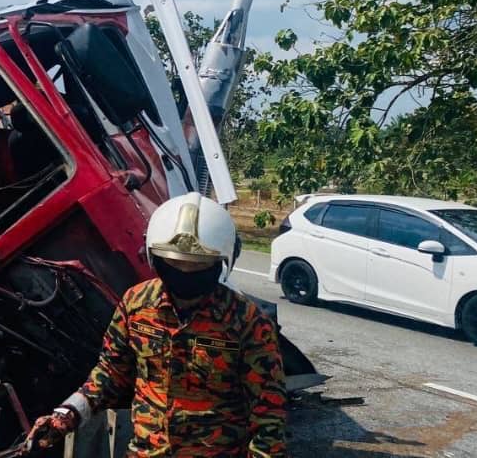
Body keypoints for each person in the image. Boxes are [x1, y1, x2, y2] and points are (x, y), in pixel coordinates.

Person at [25, 192, 287, 457]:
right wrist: (68, 413)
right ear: (154, 258)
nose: (184, 273)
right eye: (174, 263)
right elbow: (111, 372)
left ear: (223, 261)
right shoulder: (136, 305)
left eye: (198, 266)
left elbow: (268, 411)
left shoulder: (247, 322)